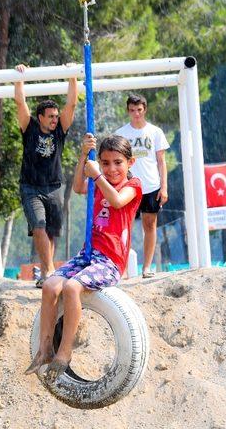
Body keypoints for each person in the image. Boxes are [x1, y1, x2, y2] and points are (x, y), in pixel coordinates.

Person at [24, 134, 142, 380]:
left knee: (72, 287)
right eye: (106, 163)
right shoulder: (98, 183)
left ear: (130, 163)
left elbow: (117, 201)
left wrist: (97, 175)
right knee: (50, 285)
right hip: (88, 253)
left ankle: (65, 352)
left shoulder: (133, 186)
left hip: (109, 260)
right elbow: (78, 187)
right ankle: (45, 348)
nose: (111, 169)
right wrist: (83, 157)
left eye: (118, 163)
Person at [14, 64, 78, 288]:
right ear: (40, 117)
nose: (54, 119)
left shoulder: (60, 130)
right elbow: (20, 102)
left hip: (54, 187)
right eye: (50, 116)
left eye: (55, 116)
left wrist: (71, 76)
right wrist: (19, 77)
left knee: (50, 232)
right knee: (39, 226)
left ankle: (46, 273)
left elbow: (71, 103)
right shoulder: (29, 128)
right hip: (31, 187)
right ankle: (49, 270)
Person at [115, 94, 169, 278]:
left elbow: (162, 162)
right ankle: (120, 268)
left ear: (144, 109)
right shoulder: (121, 133)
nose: (136, 114)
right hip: (129, 186)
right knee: (124, 227)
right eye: (132, 110)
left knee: (150, 225)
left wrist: (164, 187)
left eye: (139, 110)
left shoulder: (155, 132)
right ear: (128, 111)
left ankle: (146, 267)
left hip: (151, 186)